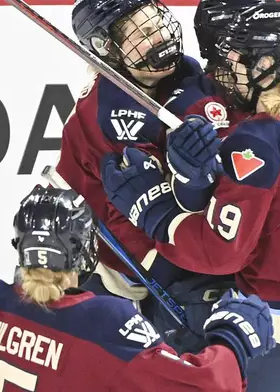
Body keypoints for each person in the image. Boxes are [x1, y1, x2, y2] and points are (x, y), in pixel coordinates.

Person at [99, 2, 280, 391]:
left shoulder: (255, 142)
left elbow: (222, 252)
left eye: (239, 60)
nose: (226, 69)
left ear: (269, 67)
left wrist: (155, 213)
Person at [0, 185, 275, 392]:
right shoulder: (104, 323)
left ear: (19, 245)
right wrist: (233, 339)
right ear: (87, 250)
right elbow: (203, 387)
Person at [58, 0, 237, 354]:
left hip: (168, 230)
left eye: (157, 23)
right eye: (143, 33)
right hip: (112, 259)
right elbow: (114, 211)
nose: (160, 37)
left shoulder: (183, 73)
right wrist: (168, 266)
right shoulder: (104, 115)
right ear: (105, 48)